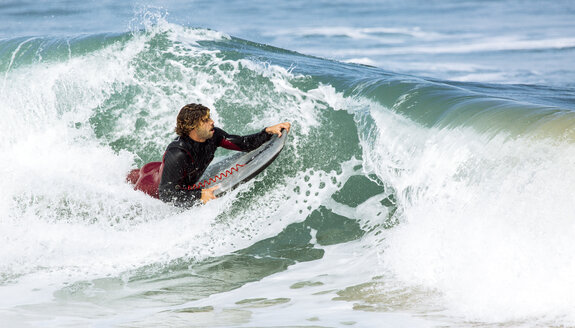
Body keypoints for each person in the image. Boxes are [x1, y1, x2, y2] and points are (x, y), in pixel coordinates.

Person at [156, 103, 290, 206]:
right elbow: (166, 194)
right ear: (193, 127)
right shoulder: (178, 154)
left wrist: (267, 132)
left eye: (209, 118)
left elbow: (243, 144)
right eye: (206, 120)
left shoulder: (213, 136)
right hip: (153, 182)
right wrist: (199, 195)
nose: (212, 122)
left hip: (179, 180)